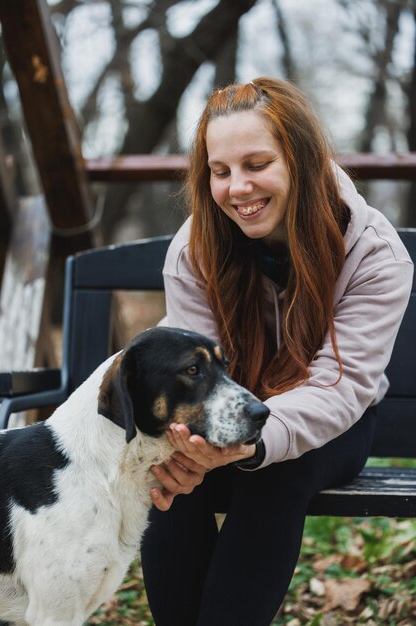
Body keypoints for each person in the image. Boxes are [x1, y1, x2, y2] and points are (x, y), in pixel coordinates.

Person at [140, 77, 414, 626]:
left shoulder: (375, 254)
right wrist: (189, 447)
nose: (238, 187)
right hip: (223, 410)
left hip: (333, 422)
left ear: (302, 161)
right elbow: (191, 373)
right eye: (221, 171)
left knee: (275, 472)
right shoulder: (196, 248)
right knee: (169, 467)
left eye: (257, 164)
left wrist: (253, 443)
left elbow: (340, 388)